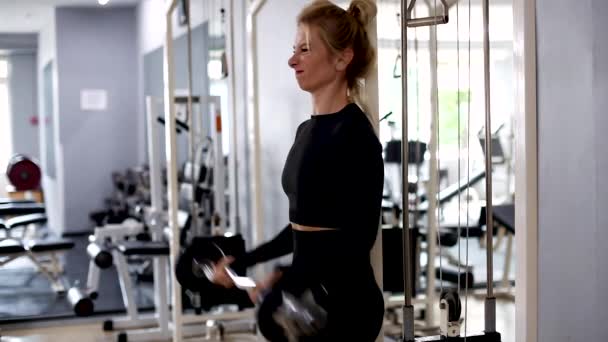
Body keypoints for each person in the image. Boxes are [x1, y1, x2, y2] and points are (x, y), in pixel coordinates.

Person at [212, 0, 384, 340]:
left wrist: (286, 275)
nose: (292, 60)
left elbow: (358, 240)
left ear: (341, 58)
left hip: (343, 304)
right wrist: (244, 260)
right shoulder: (307, 131)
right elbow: (301, 229)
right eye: (294, 50)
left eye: (304, 50)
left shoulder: (355, 135)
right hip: (309, 289)